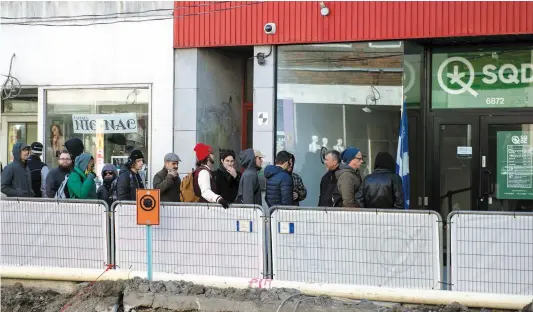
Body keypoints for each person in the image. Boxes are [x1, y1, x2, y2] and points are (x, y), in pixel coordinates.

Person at [192, 143, 230, 208]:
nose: (214, 155)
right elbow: (205, 192)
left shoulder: (203, 170)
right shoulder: (203, 172)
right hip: (204, 211)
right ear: (207, 157)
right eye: (212, 153)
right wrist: (219, 199)